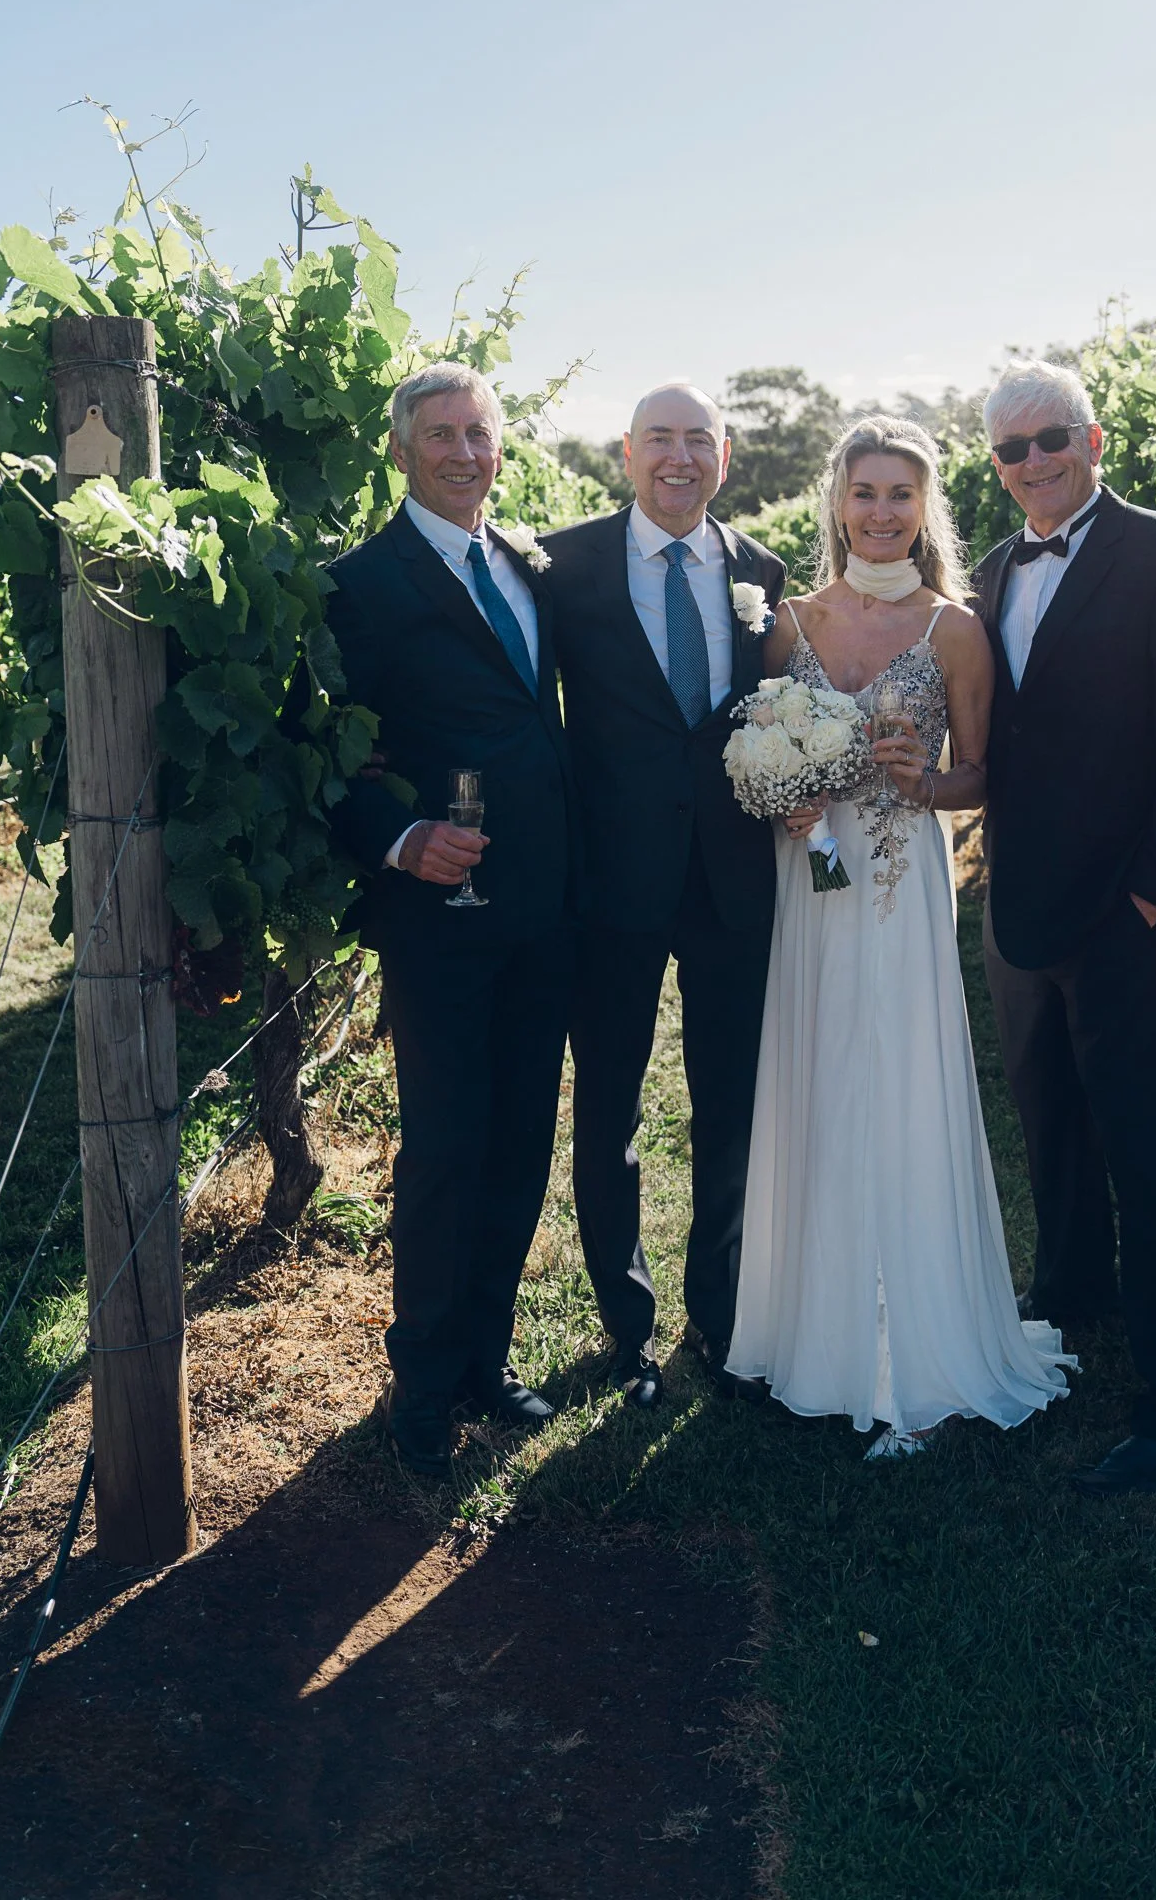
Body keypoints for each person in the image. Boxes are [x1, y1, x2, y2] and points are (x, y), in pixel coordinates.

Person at [726, 416, 1076, 1457]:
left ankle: (916, 1337)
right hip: (813, 879)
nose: (882, 513)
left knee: (901, 1078)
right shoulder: (788, 625)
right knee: (822, 1076)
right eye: (865, 492)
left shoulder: (953, 629)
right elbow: (761, 743)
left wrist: (927, 784)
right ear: (837, 503)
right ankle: (817, 1329)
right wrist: (783, 798)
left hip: (899, 879)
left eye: (901, 494)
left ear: (926, 509)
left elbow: (983, 774)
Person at [972, 359, 1156, 1498]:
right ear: (997, 467)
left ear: (1092, 439)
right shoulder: (994, 569)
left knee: (1146, 1141)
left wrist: (1152, 897)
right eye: (1012, 449)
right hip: (1019, 904)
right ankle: (1070, 1297)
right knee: (1048, 1116)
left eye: (1052, 438)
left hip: (1120, 909)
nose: (1034, 460)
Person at [315, 361, 579, 1479]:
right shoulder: (356, 585)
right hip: (439, 914)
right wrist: (398, 836)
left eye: (478, 432)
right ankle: (420, 1382)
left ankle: (484, 1357)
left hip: (543, 909)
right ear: (400, 450)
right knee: (443, 1147)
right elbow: (316, 746)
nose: (464, 452)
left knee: (520, 1139)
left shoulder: (526, 562)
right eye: (440, 434)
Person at [542, 383, 787, 1407]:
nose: (678, 458)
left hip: (734, 879)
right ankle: (628, 1328)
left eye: (698, 440)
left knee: (732, 1106)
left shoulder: (763, 571)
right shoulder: (560, 566)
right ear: (626, 452)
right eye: (659, 439)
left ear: (725, 456)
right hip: (611, 880)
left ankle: (720, 1317)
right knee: (610, 1106)